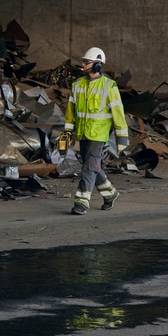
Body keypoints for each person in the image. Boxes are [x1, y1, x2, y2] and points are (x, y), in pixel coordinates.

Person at [64, 47, 129, 215]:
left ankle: (81, 202)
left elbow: (118, 112)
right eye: (84, 62)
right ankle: (111, 194)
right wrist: (67, 133)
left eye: (87, 62)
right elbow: (70, 111)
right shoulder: (77, 85)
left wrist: (122, 138)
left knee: (88, 168)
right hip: (83, 133)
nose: (83, 65)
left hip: (99, 135)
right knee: (93, 166)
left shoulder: (109, 86)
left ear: (98, 65)